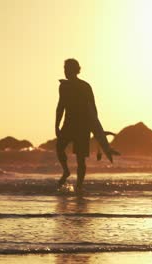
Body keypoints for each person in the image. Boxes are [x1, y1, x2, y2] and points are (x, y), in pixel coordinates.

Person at [55, 59, 96, 192]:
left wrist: (95, 128)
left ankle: (79, 186)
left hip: (83, 126)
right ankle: (66, 171)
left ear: (75, 70)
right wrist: (56, 125)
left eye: (67, 69)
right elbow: (61, 105)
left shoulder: (85, 86)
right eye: (65, 69)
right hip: (69, 124)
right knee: (59, 147)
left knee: (81, 159)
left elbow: (93, 108)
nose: (65, 72)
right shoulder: (64, 86)